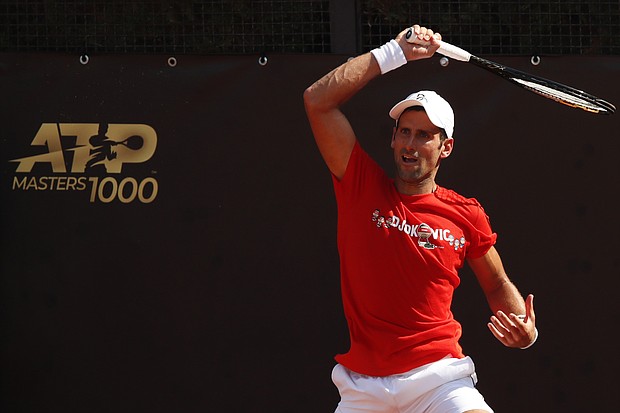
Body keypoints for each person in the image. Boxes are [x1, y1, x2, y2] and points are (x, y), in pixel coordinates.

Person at [303, 24, 538, 413]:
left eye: (425, 135)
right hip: (363, 387)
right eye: (405, 132)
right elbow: (317, 101)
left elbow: (496, 282)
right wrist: (394, 52)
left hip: (439, 380)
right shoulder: (360, 184)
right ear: (393, 138)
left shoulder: (466, 214)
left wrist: (523, 330)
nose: (411, 144)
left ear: (445, 147)